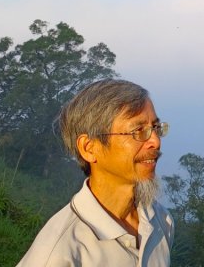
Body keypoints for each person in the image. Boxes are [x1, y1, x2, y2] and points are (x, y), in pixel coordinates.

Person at [16, 79, 173, 266]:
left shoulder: (159, 221)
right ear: (89, 148)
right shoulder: (60, 253)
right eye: (138, 130)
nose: (155, 141)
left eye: (155, 128)